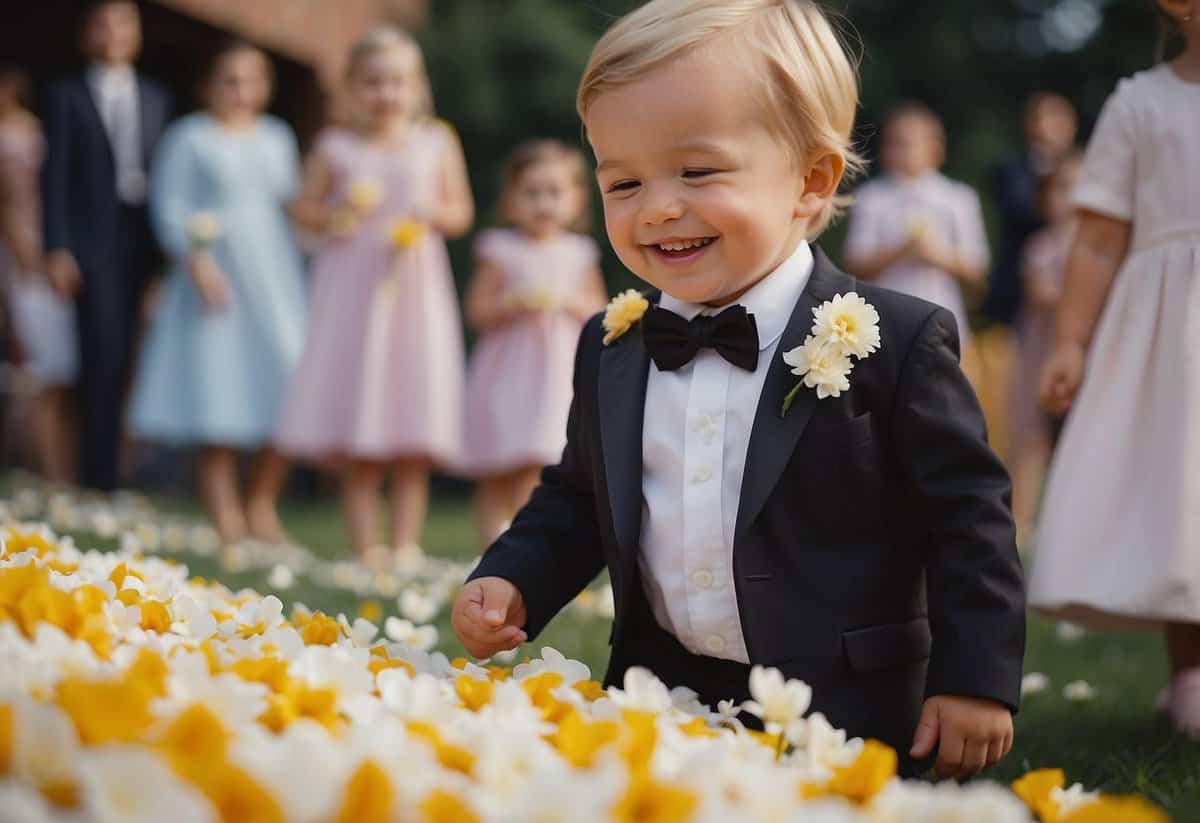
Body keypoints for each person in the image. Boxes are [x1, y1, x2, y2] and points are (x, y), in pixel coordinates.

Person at [452, 0, 1025, 780]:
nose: (658, 207)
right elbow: (578, 499)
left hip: (851, 716)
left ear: (809, 181)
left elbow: (969, 521)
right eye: (622, 182)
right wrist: (511, 576)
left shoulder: (896, 339)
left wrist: (974, 681)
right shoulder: (614, 343)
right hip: (664, 706)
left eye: (698, 171)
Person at [1033, 0, 1200, 738]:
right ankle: (1191, 673)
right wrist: (1070, 341)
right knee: (1181, 495)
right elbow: (1098, 239)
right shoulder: (1141, 103)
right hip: (1174, 334)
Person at [277, 27, 473, 564]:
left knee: (413, 421)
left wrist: (430, 213)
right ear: (352, 88)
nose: (386, 94)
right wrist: (336, 215)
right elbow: (303, 206)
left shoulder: (436, 141)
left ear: (416, 87)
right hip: (355, 293)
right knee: (361, 411)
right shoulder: (335, 145)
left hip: (415, 288)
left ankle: (405, 543)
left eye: (397, 82)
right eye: (373, 83)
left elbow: (460, 212)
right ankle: (366, 547)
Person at [128, 42, 306, 546]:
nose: (240, 91)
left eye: (252, 80)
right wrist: (196, 259)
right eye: (229, 79)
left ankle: (261, 504)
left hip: (272, 275)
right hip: (213, 274)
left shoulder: (277, 137)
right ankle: (226, 515)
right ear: (208, 84)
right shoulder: (189, 137)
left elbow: (291, 204)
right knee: (217, 386)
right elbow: (169, 205)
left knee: (290, 384)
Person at [40, 0, 172, 491]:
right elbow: (53, 179)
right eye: (104, 23)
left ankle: (119, 469)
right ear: (86, 34)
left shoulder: (157, 96)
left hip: (144, 239)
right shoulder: (65, 95)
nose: (115, 32)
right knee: (102, 352)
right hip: (92, 242)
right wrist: (57, 247)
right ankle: (97, 477)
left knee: (134, 355)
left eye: (124, 22)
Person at [460, 140, 607, 547]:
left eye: (554, 192)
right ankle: (494, 544)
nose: (543, 203)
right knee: (500, 463)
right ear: (509, 201)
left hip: (557, 372)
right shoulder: (500, 250)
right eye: (531, 193)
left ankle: (525, 544)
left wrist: (567, 301)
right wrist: (510, 302)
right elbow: (477, 310)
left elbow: (597, 310)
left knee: (538, 461)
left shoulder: (579, 252)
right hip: (509, 372)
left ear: (577, 200)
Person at [843, 102, 989, 345]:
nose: (902, 151)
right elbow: (855, 261)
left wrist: (936, 254)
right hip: (884, 320)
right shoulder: (871, 197)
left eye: (910, 143)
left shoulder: (957, 198)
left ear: (935, 149)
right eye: (894, 143)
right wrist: (903, 250)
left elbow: (977, 267)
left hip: (942, 316)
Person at [0, 66, 76, 484]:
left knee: (55, 370)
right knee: (34, 364)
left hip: (49, 256)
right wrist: (23, 254)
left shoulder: (38, 132)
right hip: (23, 260)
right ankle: (42, 468)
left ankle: (56, 469)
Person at [1008, 153, 1081, 545]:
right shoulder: (1040, 245)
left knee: (1084, 438)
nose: (1069, 198)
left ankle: (1081, 519)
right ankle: (1021, 524)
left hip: (1088, 353)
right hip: (1039, 350)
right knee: (1031, 437)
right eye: (1060, 188)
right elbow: (1041, 293)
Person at [984, 92, 1078, 329]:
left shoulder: (1090, 167)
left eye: (1054, 117)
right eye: (1038, 118)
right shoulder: (1009, 169)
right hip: (1018, 288)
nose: (1045, 125)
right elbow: (1015, 210)